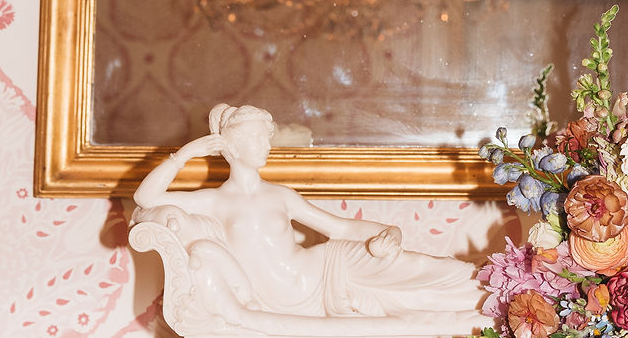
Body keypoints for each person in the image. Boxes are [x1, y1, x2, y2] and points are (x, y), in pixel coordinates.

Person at [131, 103, 482, 325]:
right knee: (406, 292)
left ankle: (490, 292)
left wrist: (390, 231)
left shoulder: (280, 195)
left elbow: (339, 227)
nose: (267, 146)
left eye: (267, 138)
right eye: (258, 139)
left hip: (327, 265)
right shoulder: (215, 201)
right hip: (289, 297)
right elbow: (146, 198)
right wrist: (187, 153)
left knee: (418, 268)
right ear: (233, 146)